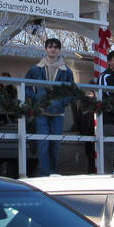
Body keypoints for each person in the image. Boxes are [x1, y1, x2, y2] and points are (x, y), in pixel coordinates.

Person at [25, 38, 75, 176]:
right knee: (43, 143)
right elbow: (25, 87)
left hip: (58, 113)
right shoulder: (36, 69)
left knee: (55, 145)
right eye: (50, 46)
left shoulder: (66, 71)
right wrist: (37, 98)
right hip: (41, 112)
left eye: (56, 47)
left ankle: (53, 173)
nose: (53, 49)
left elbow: (72, 92)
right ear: (46, 49)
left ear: (59, 50)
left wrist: (62, 102)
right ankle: (44, 173)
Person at [70, 91, 96, 173]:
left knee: (91, 153)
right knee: (90, 154)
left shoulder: (87, 103)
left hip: (90, 131)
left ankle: (92, 170)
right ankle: (91, 170)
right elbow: (79, 117)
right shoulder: (84, 103)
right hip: (89, 131)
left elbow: (80, 117)